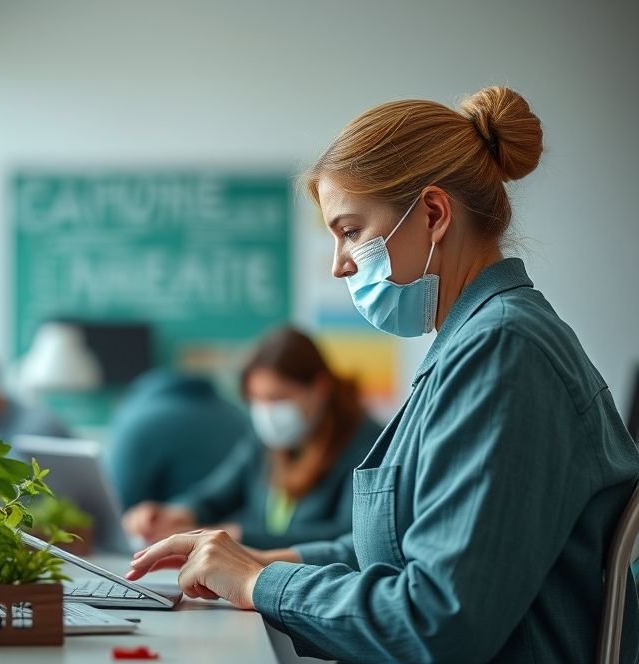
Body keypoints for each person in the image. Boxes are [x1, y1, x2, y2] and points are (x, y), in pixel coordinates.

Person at [125, 87, 639, 663]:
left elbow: (438, 619)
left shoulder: (502, 349)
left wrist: (258, 583)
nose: (338, 264)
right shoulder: (476, 342)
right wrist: (262, 563)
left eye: (350, 231)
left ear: (434, 214)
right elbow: (403, 549)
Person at [123, 326, 382, 550]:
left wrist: (240, 537)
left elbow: (348, 537)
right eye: (256, 399)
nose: (266, 412)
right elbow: (216, 496)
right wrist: (174, 513)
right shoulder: (263, 441)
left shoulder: (368, 445)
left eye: (277, 398)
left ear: (320, 387)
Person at [107, 368, 252, 510]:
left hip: (168, 520)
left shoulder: (138, 421)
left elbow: (117, 502)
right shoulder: (236, 414)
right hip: (211, 518)